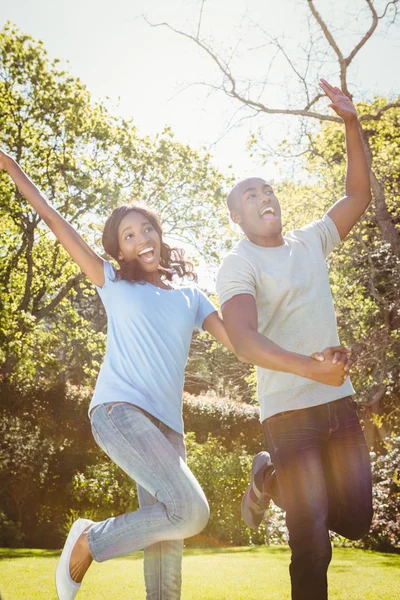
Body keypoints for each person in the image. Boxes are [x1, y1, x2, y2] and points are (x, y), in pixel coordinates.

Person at [0, 148, 234, 600]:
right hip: (119, 411)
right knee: (191, 512)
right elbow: (52, 219)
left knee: (168, 543)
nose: (142, 237)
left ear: (159, 233)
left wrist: (304, 356)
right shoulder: (113, 281)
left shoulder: (191, 296)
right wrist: (11, 168)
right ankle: (91, 540)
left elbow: (241, 342)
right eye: (129, 234)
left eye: (147, 227)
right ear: (119, 248)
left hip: (169, 429)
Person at [215, 79, 373, 600]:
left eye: (268, 189)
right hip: (289, 414)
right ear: (236, 217)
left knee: (354, 519)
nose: (264, 197)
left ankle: (269, 477)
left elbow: (357, 194)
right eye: (250, 195)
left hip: (338, 403)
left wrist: (351, 121)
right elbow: (241, 339)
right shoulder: (238, 263)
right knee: (312, 544)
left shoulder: (311, 240)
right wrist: (312, 368)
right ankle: (276, 470)